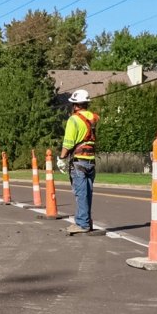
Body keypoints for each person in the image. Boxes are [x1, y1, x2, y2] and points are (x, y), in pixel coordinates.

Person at [57, 89, 100, 235]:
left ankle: (82, 223)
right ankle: (87, 221)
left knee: (80, 193)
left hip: (78, 161)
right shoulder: (93, 118)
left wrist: (62, 158)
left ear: (75, 105)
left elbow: (68, 142)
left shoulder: (73, 119)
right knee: (87, 192)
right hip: (90, 161)